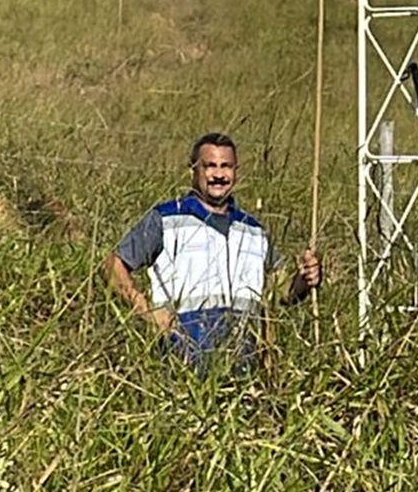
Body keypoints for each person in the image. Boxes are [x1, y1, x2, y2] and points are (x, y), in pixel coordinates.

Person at [103, 131, 322, 371]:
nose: (219, 175)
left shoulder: (254, 231)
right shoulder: (166, 219)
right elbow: (113, 266)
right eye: (210, 166)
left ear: (236, 171)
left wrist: (304, 279)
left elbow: (281, 294)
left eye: (226, 166)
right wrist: (149, 313)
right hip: (179, 368)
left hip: (245, 372)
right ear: (193, 171)